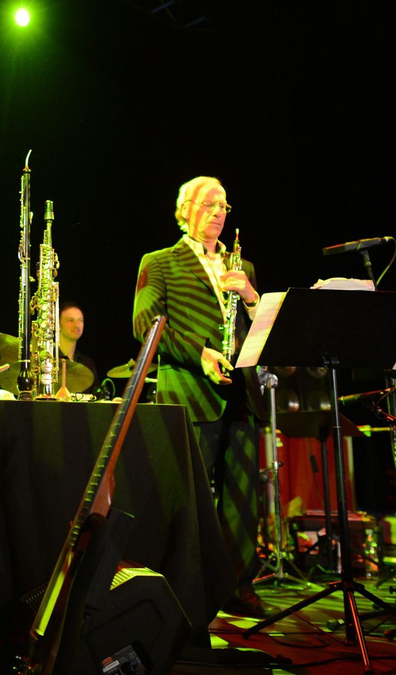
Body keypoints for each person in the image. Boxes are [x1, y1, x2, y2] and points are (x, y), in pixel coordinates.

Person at [132, 175, 266, 617]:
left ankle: (237, 585)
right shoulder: (160, 261)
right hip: (189, 391)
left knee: (244, 497)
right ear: (185, 208)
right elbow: (145, 323)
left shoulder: (241, 267)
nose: (219, 211)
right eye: (209, 203)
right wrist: (200, 354)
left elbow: (260, 328)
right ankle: (183, 584)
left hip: (241, 394)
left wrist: (251, 298)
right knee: (187, 494)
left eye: (225, 205)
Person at [58, 301, 97, 395]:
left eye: (80, 320)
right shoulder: (48, 362)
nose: (77, 325)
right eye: (70, 320)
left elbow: (97, 399)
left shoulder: (87, 364)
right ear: (58, 325)